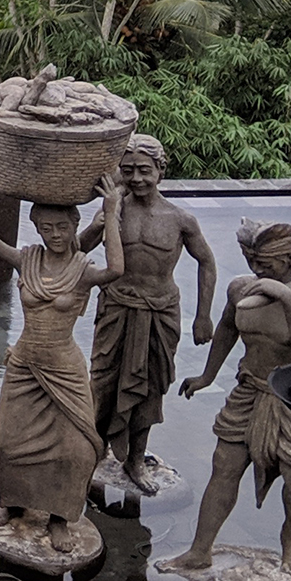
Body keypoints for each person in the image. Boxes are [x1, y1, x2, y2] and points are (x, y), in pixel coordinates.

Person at [0, 151, 118, 562]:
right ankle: (13, 503)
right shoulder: (26, 259)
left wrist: (112, 211)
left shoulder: (83, 268)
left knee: (76, 449)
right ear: (36, 228)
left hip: (64, 368)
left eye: (62, 227)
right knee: (8, 442)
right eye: (46, 228)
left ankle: (60, 516)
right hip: (24, 363)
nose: (55, 235)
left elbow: (116, 270)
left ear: (75, 227)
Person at [173, 221, 291, 575]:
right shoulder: (241, 290)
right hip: (251, 388)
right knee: (224, 466)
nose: (257, 270)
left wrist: (287, 298)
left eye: (266, 263)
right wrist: (207, 376)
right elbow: (227, 328)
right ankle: (200, 549)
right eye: (252, 261)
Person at [79, 134, 216, 490]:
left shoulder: (180, 219)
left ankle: (135, 460)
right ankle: (94, 452)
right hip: (116, 308)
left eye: (144, 170)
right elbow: (77, 249)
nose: (137, 178)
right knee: (103, 382)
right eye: (128, 171)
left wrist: (203, 316)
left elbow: (207, 262)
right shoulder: (113, 210)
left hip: (160, 312)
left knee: (150, 387)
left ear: (160, 171)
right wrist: (101, 220)